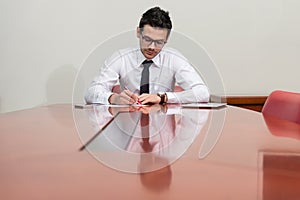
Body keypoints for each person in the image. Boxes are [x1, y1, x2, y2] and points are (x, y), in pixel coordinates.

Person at [85, 6, 210, 105]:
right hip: (128, 128)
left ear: (167, 39)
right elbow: (91, 93)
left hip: (163, 130)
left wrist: (162, 98)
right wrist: (114, 98)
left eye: (159, 42)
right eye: (147, 39)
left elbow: (202, 93)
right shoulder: (121, 58)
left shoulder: (174, 59)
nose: (152, 47)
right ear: (138, 32)